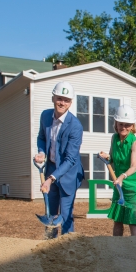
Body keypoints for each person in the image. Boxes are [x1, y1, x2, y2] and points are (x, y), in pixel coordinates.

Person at [34, 81, 84, 236]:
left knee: (66, 214)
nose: (62, 103)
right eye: (59, 98)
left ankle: (68, 249)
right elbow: (41, 137)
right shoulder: (45, 116)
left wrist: (50, 179)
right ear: (53, 98)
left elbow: (70, 159)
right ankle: (50, 247)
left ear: (70, 103)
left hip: (69, 174)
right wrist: (42, 152)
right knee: (50, 214)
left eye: (66, 100)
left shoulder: (75, 126)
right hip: (51, 168)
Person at [98, 104, 136, 236]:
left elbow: (134, 166)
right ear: (116, 123)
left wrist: (121, 177)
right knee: (118, 219)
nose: (124, 127)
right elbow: (112, 159)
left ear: (132, 126)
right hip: (119, 183)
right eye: (121, 124)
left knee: (133, 221)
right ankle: (117, 249)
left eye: (127, 125)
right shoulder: (114, 138)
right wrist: (106, 157)